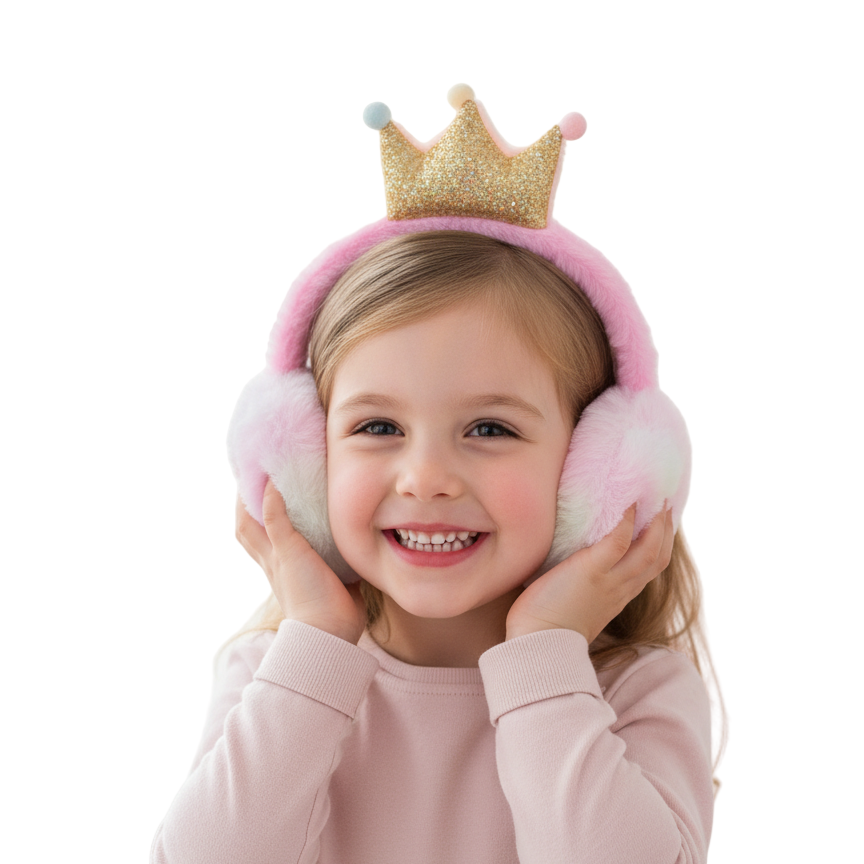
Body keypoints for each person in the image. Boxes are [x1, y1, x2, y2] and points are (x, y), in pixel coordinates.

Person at [151, 86, 722, 863]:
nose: (425, 478)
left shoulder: (633, 692)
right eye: (377, 427)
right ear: (306, 460)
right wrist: (315, 642)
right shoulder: (281, 671)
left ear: (599, 471)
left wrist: (546, 657)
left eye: (490, 428)